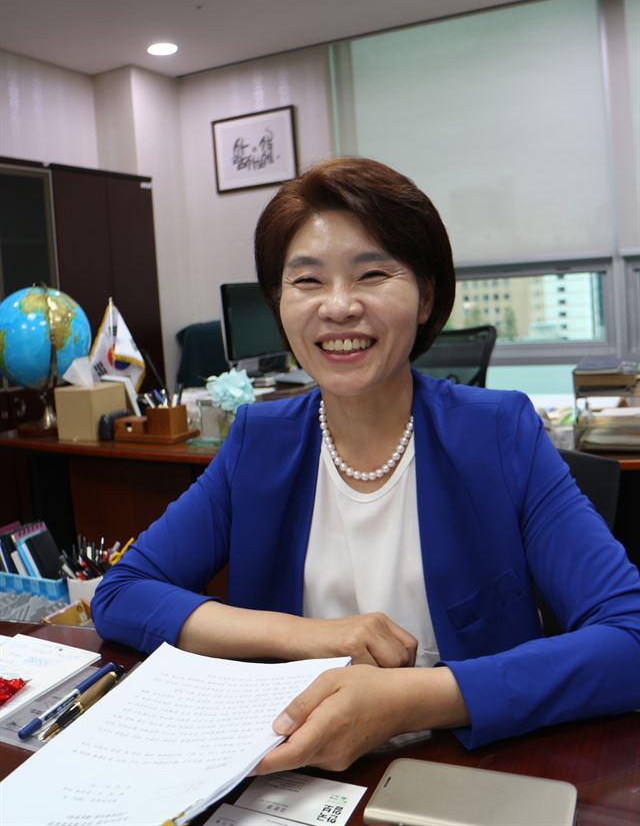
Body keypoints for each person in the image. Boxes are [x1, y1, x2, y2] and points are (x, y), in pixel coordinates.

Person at [92, 157, 640, 773]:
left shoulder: (499, 433)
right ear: (279, 302)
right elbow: (121, 593)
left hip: (469, 770)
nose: (338, 307)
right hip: (294, 777)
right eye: (307, 281)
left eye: (372, 273)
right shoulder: (257, 443)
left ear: (426, 296)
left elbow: (631, 636)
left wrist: (409, 700)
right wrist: (313, 636)